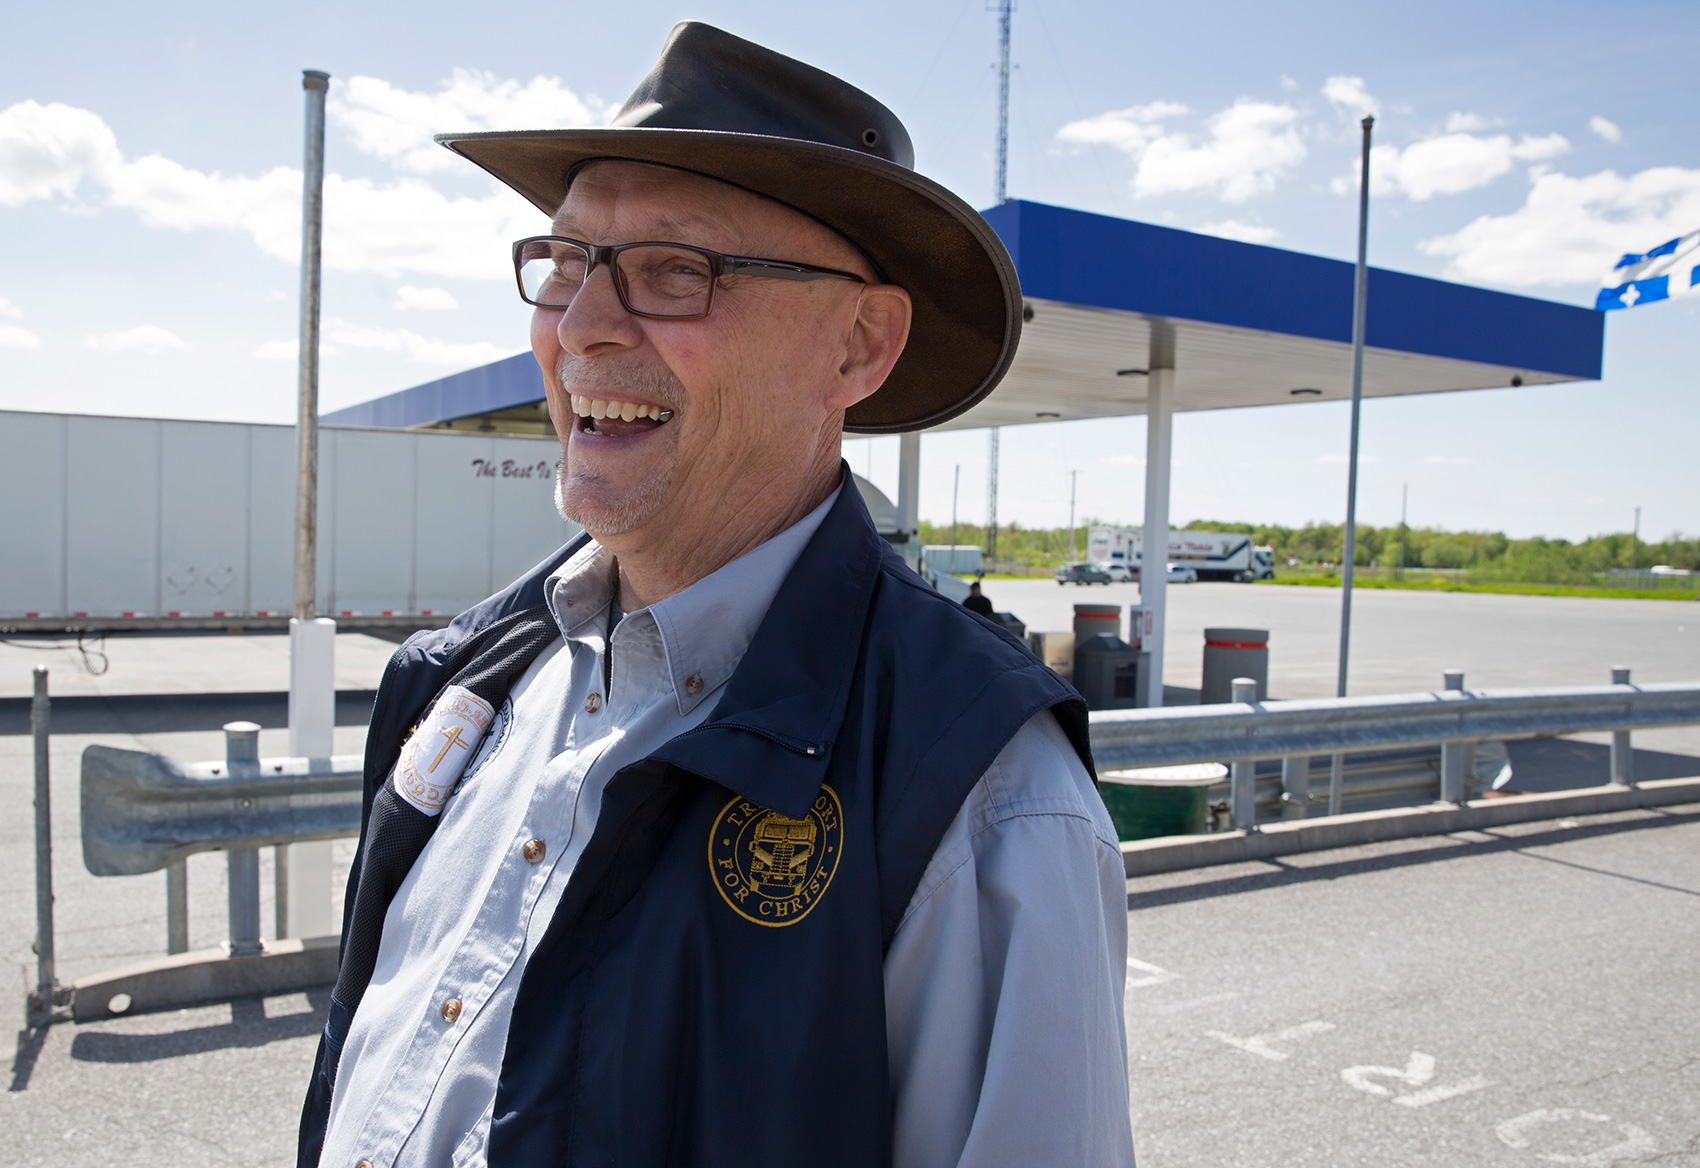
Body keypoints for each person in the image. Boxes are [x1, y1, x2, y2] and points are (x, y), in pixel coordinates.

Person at [299, 22, 1134, 1168]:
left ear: (857, 345)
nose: (580, 326)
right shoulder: (460, 682)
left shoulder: (979, 802)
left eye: (673, 270)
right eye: (565, 262)